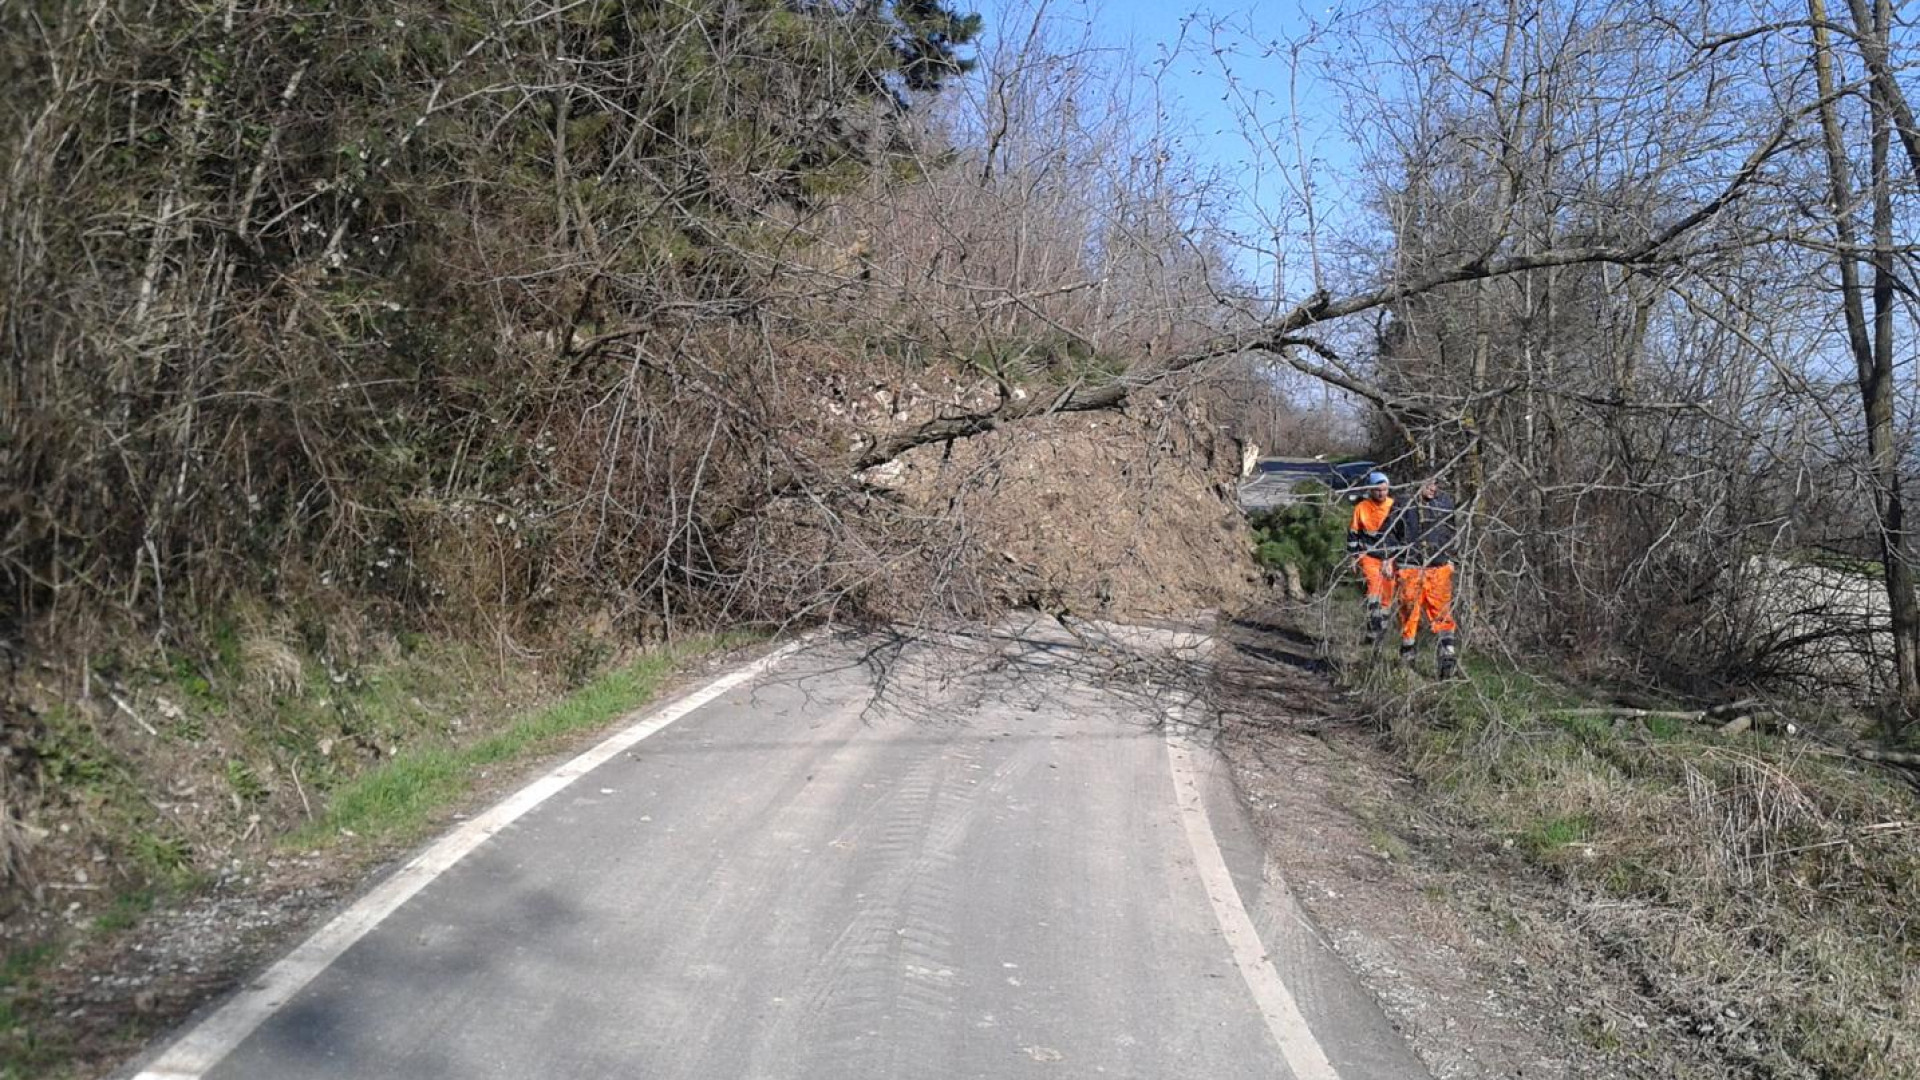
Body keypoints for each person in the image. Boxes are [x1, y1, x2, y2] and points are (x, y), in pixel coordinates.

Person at [1386, 477, 1460, 677]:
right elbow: (1390, 533)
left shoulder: (1444, 503)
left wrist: (1452, 558)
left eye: (1435, 484)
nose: (1432, 488)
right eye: (1428, 484)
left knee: (1442, 614)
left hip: (1438, 567)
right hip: (1410, 566)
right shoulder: (1404, 503)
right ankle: (1407, 661)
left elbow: (1452, 532)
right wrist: (1389, 558)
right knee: (1409, 613)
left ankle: (1447, 661)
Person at [1346, 471, 1396, 645]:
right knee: (1373, 589)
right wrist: (1353, 557)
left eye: (1384, 489)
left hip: (1390, 558)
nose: (1381, 493)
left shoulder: (1394, 506)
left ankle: (1379, 634)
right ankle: (1374, 625)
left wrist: (1392, 558)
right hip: (1368, 555)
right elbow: (1353, 533)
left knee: (1387, 595)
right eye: (1378, 490)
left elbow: (1401, 535)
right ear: (1370, 490)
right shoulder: (1362, 508)